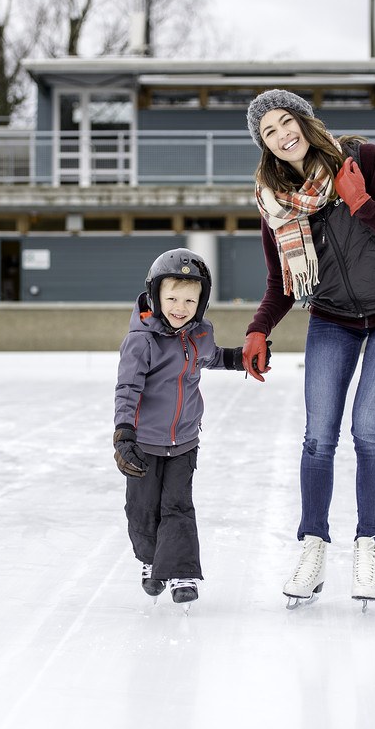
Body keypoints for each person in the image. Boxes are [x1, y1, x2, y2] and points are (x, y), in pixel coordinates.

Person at [241, 89, 375, 609]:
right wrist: (260, 328)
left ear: (303, 119)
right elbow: (281, 280)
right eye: (269, 132)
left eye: (286, 121)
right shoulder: (275, 201)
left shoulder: (361, 159)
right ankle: (313, 546)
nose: (283, 135)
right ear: (266, 146)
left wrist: (362, 203)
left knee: (368, 429)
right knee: (318, 436)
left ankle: (367, 546)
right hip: (333, 317)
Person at [113, 248, 255, 609]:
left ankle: (182, 572)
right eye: (172, 298)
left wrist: (240, 358)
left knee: (178, 506)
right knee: (143, 508)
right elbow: (127, 389)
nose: (180, 307)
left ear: (201, 301)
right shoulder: (141, 341)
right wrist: (124, 433)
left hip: (184, 441)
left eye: (190, 299)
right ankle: (150, 560)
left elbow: (212, 357)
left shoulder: (199, 334)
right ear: (155, 296)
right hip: (144, 441)